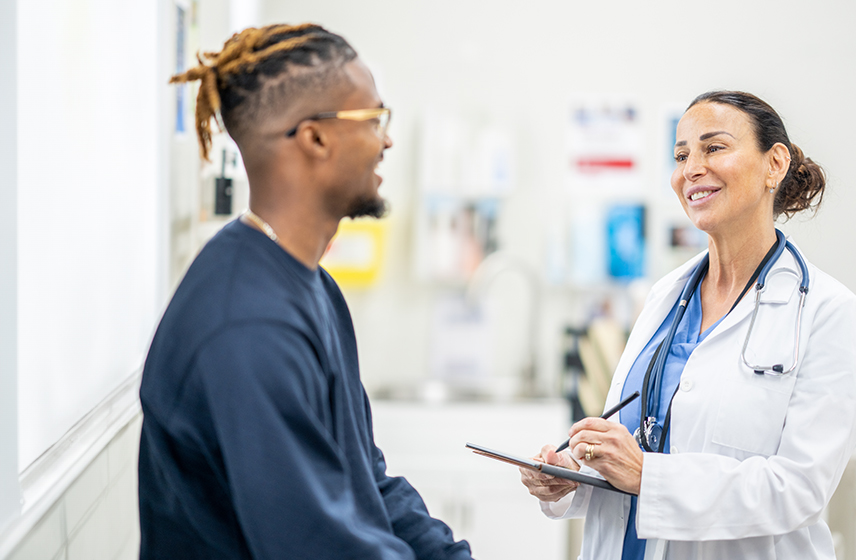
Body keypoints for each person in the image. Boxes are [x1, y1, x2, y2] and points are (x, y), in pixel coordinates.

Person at [138, 23, 472, 560]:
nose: (387, 140)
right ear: (315, 138)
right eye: (374, 120)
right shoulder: (245, 327)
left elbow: (364, 476)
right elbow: (320, 544)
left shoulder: (313, 286)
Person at [521, 91, 856, 559]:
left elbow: (797, 488)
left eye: (713, 148)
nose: (690, 169)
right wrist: (574, 474)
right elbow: (645, 440)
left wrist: (647, 476)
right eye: (681, 155)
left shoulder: (827, 311)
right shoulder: (666, 297)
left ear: (774, 164)